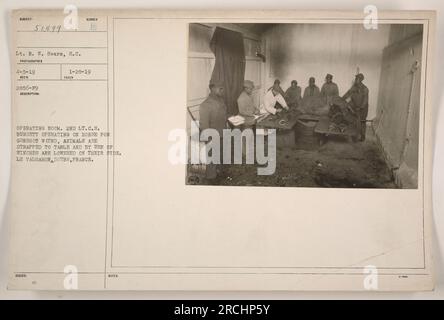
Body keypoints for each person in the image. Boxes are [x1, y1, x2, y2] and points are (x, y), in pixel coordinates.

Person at [199, 80, 228, 181]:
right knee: (211, 156)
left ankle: (218, 171)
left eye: (222, 88)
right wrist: (208, 139)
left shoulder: (221, 100)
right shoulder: (205, 105)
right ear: (212, 89)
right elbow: (204, 125)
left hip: (222, 132)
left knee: (220, 154)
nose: (222, 90)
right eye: (220, 89)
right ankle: (211, 177)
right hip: (212, 135)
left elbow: (223, 115)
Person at [342, 73, 369, 141]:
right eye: (356, 79)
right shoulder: (354, 87)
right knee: (354, 120)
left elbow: (365, 100)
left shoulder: (365, 89)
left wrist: (360, 107)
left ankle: (363, 136)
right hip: (355, 106)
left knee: (362, 122)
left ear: (360, 80)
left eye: (357, 79)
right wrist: (342, 99)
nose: (355, 80)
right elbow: (348, 93)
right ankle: (354, 135)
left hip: (363, 108)